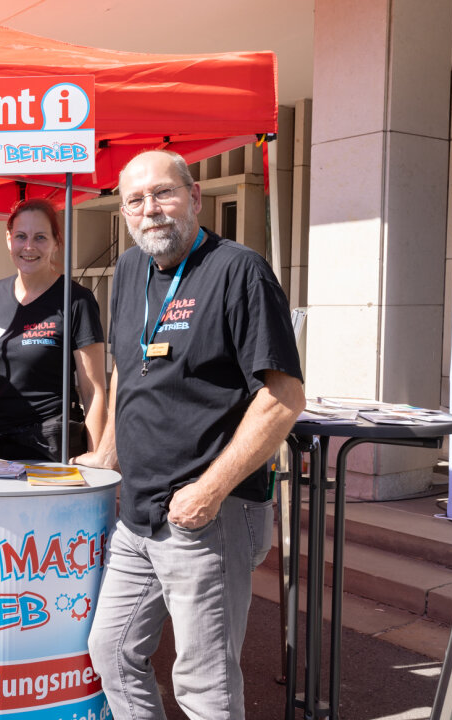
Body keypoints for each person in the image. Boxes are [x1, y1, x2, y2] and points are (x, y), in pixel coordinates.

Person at [86, 150, 305, 720]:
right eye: (135, 200)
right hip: (139, 509)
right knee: (110, 650)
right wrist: (107, 456)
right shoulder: (131, 269)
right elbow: (125, 368)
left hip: (210, 512)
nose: (150, 210)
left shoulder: (240, 271)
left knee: (204, 686)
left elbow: (282, 400)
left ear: (196, 197)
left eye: (163, 193)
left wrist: (207, 492)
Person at [0, 197, 107, 463]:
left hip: (51, 446)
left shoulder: (76, 300)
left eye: (40, 238)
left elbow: (93, 390)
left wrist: (98, 463)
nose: (28, 247)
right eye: (21, 236)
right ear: (8, 239)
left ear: (56, 243)